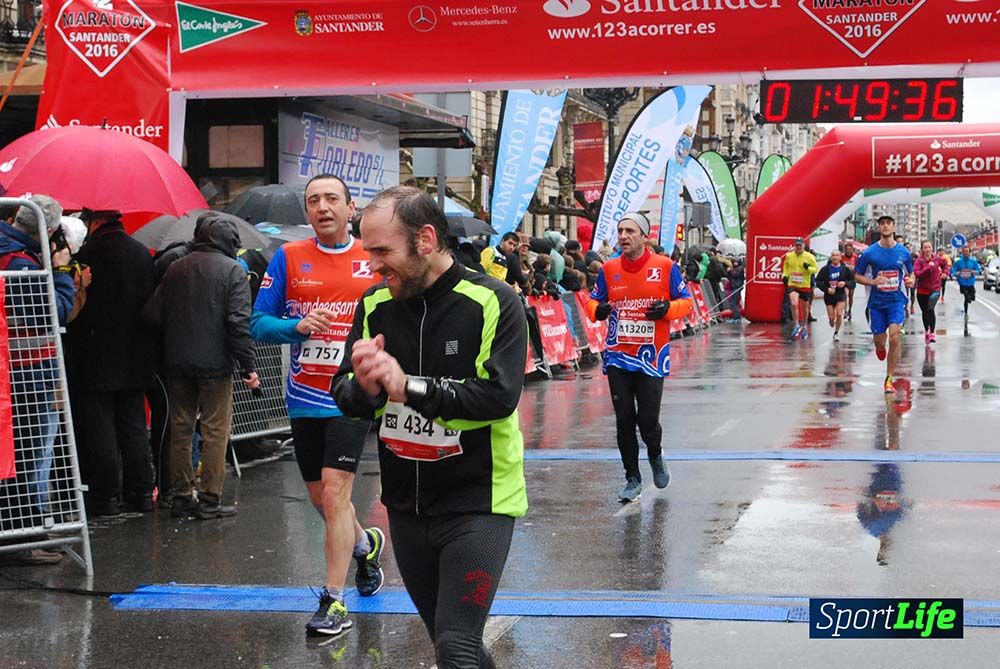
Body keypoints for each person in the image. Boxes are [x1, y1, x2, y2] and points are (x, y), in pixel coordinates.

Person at [332, 186, 527, 668]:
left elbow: (497, 399)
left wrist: (406, 387)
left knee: (456, 646)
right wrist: (364, 386)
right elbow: (346, 396)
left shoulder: (493, 301)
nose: (373, 266)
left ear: (425, 239)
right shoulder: (375, 303)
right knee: (453, 643)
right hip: (406, 504)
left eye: (382, 251)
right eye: (368, 252)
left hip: (479, 500)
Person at [250, 174, 385, 637]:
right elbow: (258, 324)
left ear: (351, 208)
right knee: (320, 500)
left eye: (332, 198)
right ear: (307, 212)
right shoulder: (289, 257)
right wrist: (297, 327)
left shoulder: (372, 257)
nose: (322, 206)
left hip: (350, 396)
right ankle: (365, 545)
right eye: (314, 201)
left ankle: (335, 602)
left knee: (334, 493)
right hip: (304, 397)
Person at [142, 216, 260, 519]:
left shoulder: (176, 267)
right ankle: (210, 499)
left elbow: (153, 315)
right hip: (215, 365)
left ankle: (181, 496)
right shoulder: (232, 271)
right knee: (215, 430)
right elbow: (238, 324)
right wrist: (248, 367)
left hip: (178, 362)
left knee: (181, 429)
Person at [587, 212, 692, 503]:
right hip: (618, 356)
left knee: (647, 420)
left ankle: (656, 455)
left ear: (643, 236)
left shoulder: (665, 267)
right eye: (620, 230)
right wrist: (599, 311)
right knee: (624, 419)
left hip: (651, 357)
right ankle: (632, 477)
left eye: (629, 231)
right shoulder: (608, 269)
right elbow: (592, 301)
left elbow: (685, 303)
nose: (623, 236)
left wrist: (667, 310)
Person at [65, 209, 158, 516]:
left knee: (99, 429)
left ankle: (106, 496)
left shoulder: (86, 255)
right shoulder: (142, 253)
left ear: (93, 222)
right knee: (133, 426)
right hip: (136, 354)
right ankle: (141, 492)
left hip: (95, 355)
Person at [0, 195, 75, 565]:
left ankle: (23, 535)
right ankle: (25, 539)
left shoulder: (9, 255)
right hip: (29, 377)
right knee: (32, 461)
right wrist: (60, 273)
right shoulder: (23, 265)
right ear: (48, 231)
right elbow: (53, 312)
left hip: (9, 376)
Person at [852, 216, 914, 394]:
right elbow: (857, 275)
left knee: (894, 337)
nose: (885, 226)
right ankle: (879, 347)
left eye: (888, 223)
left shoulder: (903, 252)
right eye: (882, 224)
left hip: (896, 301)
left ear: (894, 227)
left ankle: (889, 378)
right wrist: (872, 282)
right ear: (879, 228)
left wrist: (910, 281)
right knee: (881, 342)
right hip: (876, 304)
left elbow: (911, 273)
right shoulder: (870, 253)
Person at [781, 237, 818, 340]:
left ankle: (804, 325)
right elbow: (786, 267)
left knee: (805, 307)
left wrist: (808, 268)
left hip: (804, 284)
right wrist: (784, 275)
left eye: (800, 245)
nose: (798, 247)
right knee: (793, 303)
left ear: (803, 246)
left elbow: (815, 269)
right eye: (796, 245)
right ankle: (796, 324)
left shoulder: (809, 256)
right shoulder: (789, 256)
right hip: (792, 283)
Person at [814, 250, 855, 341]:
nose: (835, 257)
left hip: (840, 294)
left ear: (840, 257)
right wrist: (826, 289)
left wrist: (845, 283)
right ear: (831, 257)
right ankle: (831, 320)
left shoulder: (845, 269)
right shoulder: (825, 269)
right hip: (829, 296)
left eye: (837, 255)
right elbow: (817, 281)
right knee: (832, 318)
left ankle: (836, 333)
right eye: (833, 255)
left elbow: (853, 282)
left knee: (840, 314)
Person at [913, 240, 946, 344]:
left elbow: (946, 265)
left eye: (929, 247)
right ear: (922, 249)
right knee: (925, 312)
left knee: (930, 309)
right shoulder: (919, 261)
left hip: (935, 289)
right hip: (922, 290)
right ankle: (927, 330)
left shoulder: (937, 259)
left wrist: (945, 273)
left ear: (932, 248)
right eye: (925, 248)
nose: (927, 250)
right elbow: (917, 274)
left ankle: (932, 333)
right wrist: (928, 268)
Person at [951, 244, 981, 337]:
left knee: (972, 297)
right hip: (962, 282)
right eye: (964, 252)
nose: (966, 253)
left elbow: (978, 270)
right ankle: (966, 313)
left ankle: (969, 299)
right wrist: (957, 273)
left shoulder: (973, 261)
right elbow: (953, 271)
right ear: (962, 253)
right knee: (966, 296)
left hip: (971, 282)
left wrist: (974, 272)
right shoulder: (959, 262)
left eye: (967, 252)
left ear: (970, 252)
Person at [841, 242, 858, 321]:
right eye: (847, 249)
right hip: (844, 278)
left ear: (852, 250)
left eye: (850, 249)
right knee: (845, 294)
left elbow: (859, 267)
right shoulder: (841, 257)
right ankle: (845, 311)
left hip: (852, 278)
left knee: (850, 296)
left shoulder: (855, 257)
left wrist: (854, 269)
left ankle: (850, 310)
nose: (848, 251)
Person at [724, 259, 744, 323]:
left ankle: (736, 317)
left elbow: (735, 275)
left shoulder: (739, 269)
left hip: (736, 287)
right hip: (734, 287)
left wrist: (730, 271)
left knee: (734, 303)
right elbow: (729, 277)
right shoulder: (735, 269)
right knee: (734, 302)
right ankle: (736, 316)